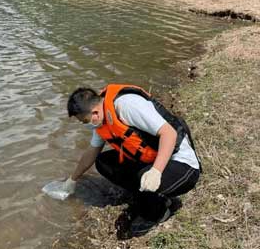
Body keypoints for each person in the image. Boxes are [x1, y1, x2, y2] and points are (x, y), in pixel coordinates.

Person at [62, 83, 201, 238]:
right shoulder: (102, 120)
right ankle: (151, 196)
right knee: (103, 162)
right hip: (153, 158)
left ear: (94, 113)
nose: (86, 125)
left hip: (183, 165)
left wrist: (156, 172)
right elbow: (91, 153)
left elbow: (169, 134)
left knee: (144, 178)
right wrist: (72, 179)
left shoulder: (127, 106)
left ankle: (160, 212)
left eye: (85, 121)